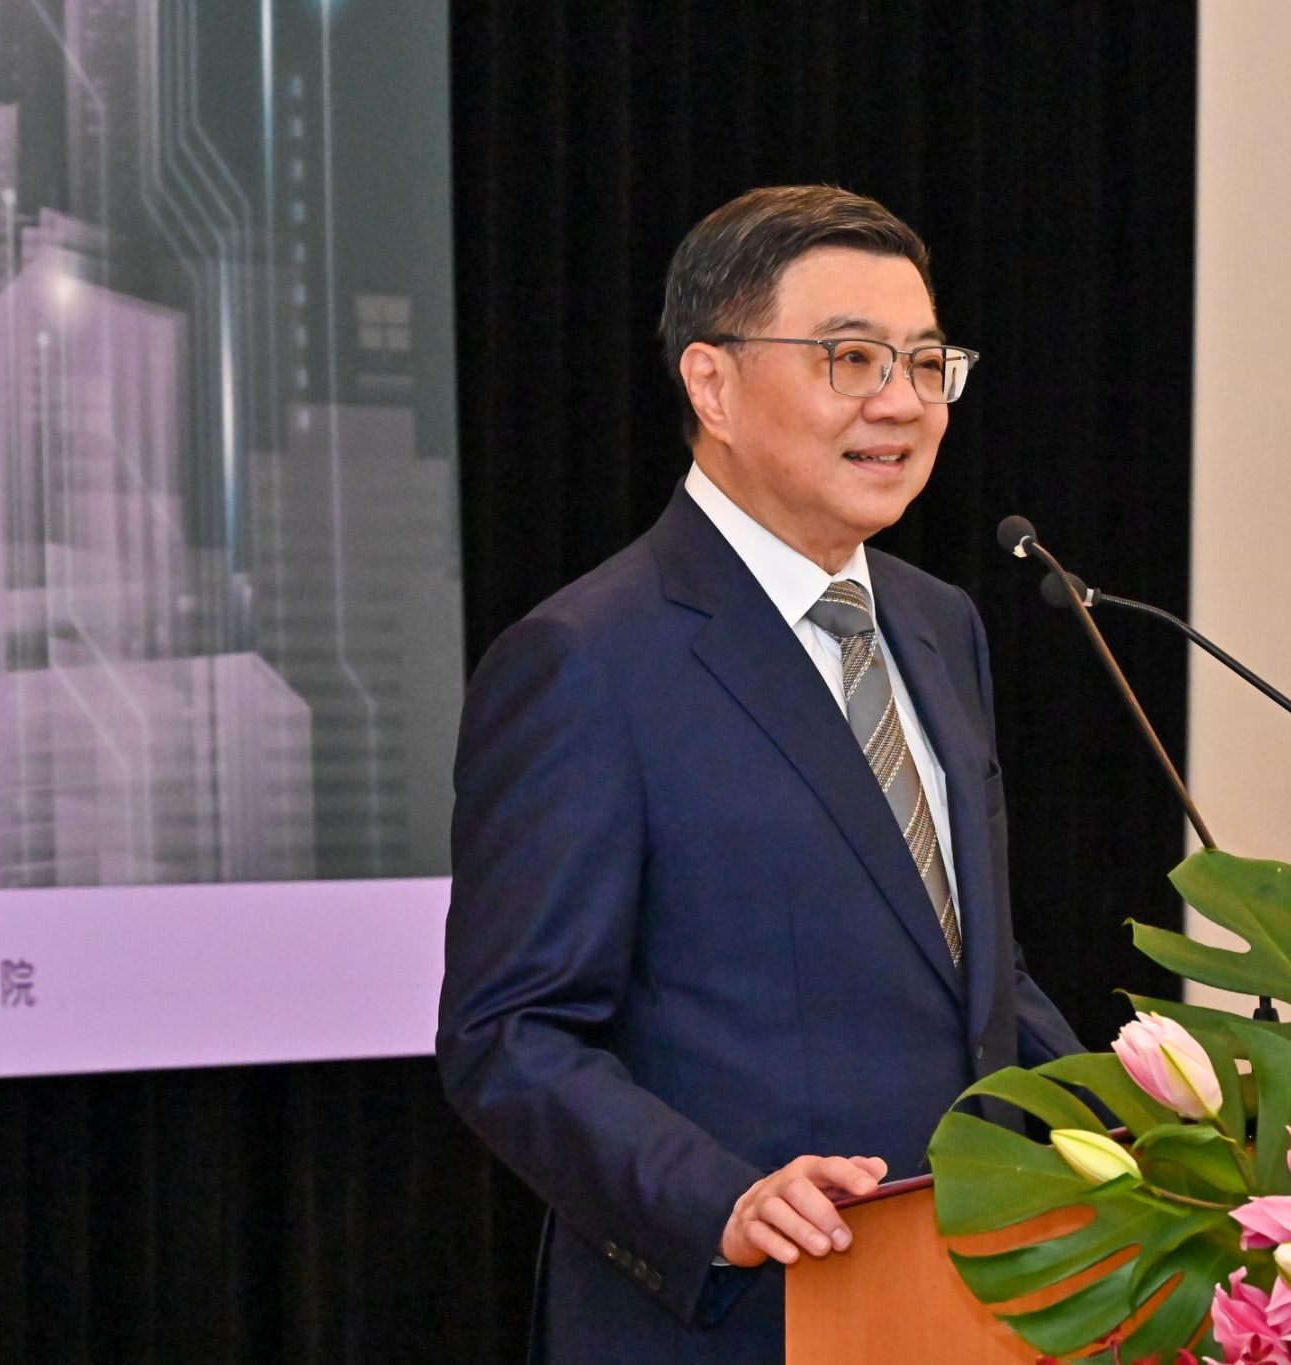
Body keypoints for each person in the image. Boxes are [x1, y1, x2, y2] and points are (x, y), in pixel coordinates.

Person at [436, 185, 1083, 1362]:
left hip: (968, 1295)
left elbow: (962, 963)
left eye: (926, 362)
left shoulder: (938, 623)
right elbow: (510, 1034)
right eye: (850, 358)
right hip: (740, 1315)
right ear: (713, 385)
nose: (902, 402)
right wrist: (718, 1201)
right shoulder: (587, 659)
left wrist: (1134, 1115)